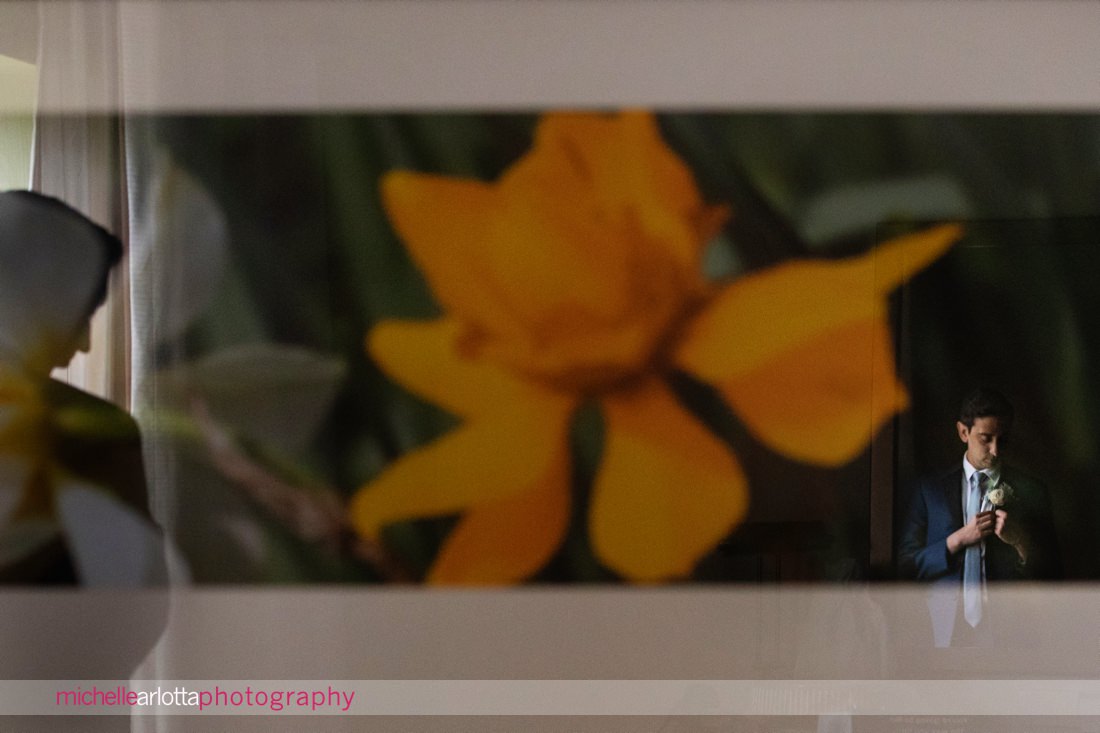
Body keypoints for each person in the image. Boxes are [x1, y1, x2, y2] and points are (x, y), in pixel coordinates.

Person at [898, 387, 1060, 647]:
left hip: (1012, 638)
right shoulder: (930, 490)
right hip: (942, 634)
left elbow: (1054, 575)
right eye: (986, 438)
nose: (996, 450)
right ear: (964, 432)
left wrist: (1021, 542)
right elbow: (906, 566)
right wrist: (957, 540)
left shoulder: (1032, 491)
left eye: (1002, 440)